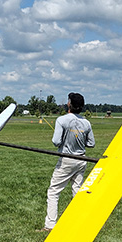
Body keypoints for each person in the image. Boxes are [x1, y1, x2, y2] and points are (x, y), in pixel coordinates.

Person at [41, 92, 95, 231]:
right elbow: (91, 143)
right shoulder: (86, 122)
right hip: (82, 160)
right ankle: (79, 222)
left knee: (53, 191)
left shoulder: (61, 120)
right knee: (77, 191)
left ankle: (50, 225)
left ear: (69, 104)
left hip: (66, 160)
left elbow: (55, 141)